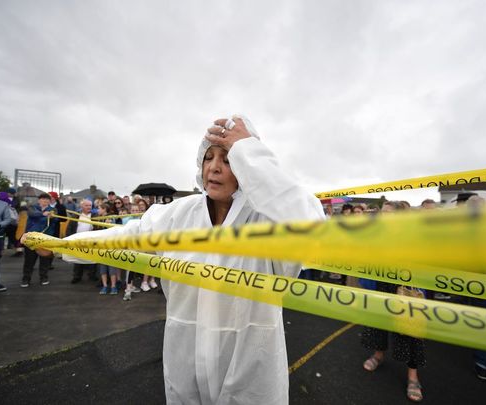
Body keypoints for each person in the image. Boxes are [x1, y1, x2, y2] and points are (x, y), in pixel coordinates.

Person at [25, 115, 324, 404]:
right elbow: (126, 238)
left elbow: (314, 232)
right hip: (186, 360)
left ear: (250, 167)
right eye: (209, 158)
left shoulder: (270, 221)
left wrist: (247, 149)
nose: (215, 168)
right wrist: (62, 245)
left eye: (230, 159)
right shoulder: (178, 214)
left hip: (250, 367)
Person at [360, 200, 425, 402]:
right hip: (380, 286)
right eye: (383, 213)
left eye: (388, 213)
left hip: (405, 289)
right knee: (378, 323)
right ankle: (378, 354)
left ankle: (413, 377)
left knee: (409, 330)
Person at [21, 193, 55, 287]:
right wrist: (43, 214)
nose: (45, 201)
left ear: (49, 201)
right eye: (43, 199)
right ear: (39, 200)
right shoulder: (32, 207)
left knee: (45, 260)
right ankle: (26, 279)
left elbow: (55, 219)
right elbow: (32, 214)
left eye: (47, 199)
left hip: (45, 238)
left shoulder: (52, 210)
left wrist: (52, 217)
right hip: (31, 238)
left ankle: (44, 278)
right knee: (29, 260)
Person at [67, 199, 97, 284]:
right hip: (78, 240)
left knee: (92, 259)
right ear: (81, 206)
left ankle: (92, 275)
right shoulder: (76, 215)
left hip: (91, 241)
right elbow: (70, 227)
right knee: (78, 259)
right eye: (86, 205)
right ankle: (77, 276)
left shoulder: (95, 216)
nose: (88, 207)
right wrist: (69, 238)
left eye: (90, 205)